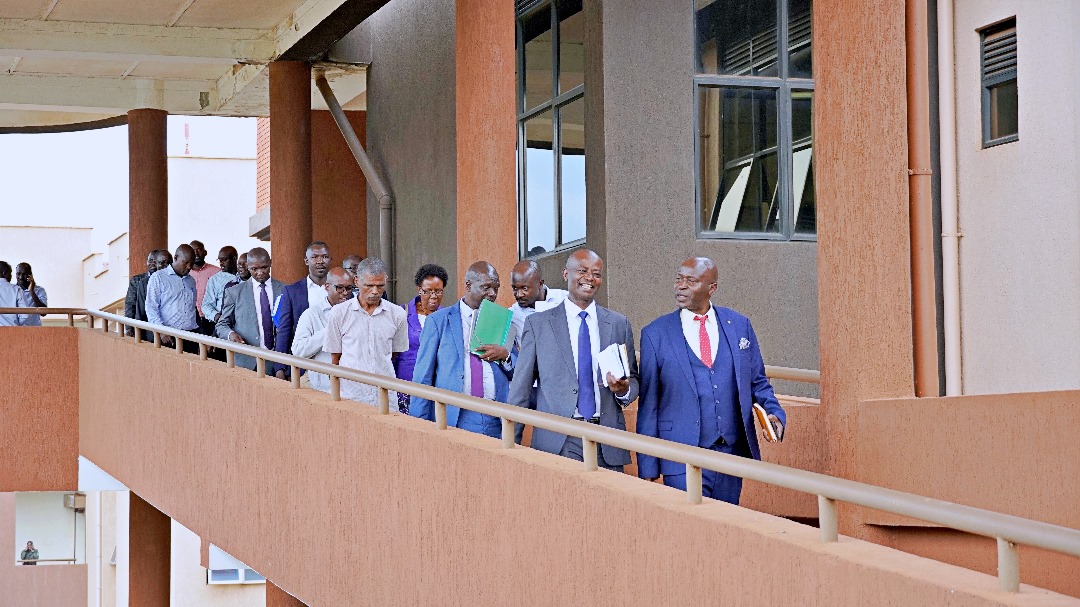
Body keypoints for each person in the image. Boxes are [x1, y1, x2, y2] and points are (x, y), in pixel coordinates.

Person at [636, 257, 787, 505]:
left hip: (730, 454)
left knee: (724, 529)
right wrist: (648, 466)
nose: (680, 286)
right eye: (678, 279)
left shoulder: (739, 325)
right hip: (680, 456)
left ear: (711, 288)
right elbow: (648, 404)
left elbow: (758, 381)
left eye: (691, 281)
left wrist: (774, 412)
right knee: (688, 532)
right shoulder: (655, 333)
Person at [507, 250, 638, 471]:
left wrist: (622, 390)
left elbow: (633, 379)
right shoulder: (538, 324)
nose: (589, 278)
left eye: (596, 273)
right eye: (582, 271)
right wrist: (510, 444)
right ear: (566, 274)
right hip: (558, 439)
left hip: (607, 440)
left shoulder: (618, 323)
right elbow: (520, 390)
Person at [410, 261, 514, 438]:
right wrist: (417, 426)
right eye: (486, 287)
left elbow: (517, 369)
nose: (492, 294)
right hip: (456, 415)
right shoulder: (438, 321)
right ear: (468, 285)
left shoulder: (501, 319)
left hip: (497, 416)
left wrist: (506, 356)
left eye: (496, 288)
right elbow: (422, 377)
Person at [324, 257, 408, 406]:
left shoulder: (397, 314)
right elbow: (335, 358)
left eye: (380, 286)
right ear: (356, 281)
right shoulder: (339, 313)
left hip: (385, 397)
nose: (375, 291)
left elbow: (395, 353)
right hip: (350, 396)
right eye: (369, 285)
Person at [215, 248, 284, 371]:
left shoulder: (284, 290)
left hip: (277, 360)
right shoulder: (235, 292)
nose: (260, 272)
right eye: (254, 269)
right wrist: (231, 334)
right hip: (247, 360)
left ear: (271, 263)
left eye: (264, 267)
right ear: (247, 266)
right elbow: (222, 324)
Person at [393, 264, 448, 413]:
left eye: (438, 291)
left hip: (435, 387)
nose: (433, 296)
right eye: (428, 291)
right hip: (406, 386)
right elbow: (393, 355)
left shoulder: (447, 318)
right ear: (419, 289)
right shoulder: (401, 313)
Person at [274, 242, 332, 380]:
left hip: (334, 365)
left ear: (330, 260)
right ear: (306, 260)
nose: (320, 261)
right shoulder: (292, 291)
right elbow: (285, 330)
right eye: (315, 257)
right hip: (303, 366)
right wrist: (280, 367)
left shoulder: (340, 290)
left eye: (324, 257)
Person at [291, 267, 354, 393]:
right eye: (339, 288)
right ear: (327, 287)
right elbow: (298, 350)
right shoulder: (311, 315)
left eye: (348, 288)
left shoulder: (357, 312)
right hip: (324, 387)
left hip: (355, 385)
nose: (345, 292)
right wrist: (329, 330)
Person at [145, 245, 199, 350]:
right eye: (186, 262)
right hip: (168, 336)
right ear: (176, 258)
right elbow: (151, 307)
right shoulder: (158, 277)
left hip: (191, 336)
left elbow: (192, 308)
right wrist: (161, 331)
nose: (189, 267)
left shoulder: (191, 281)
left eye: (191, 264)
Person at [509, 260, 568, 349]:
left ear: (540, 283)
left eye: (524, 288)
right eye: (514, 288)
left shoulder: (565, 299)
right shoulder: (512, 315)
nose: (519, 294)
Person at [188, 240, 220, 333]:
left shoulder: (217, 272)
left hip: (211, 319)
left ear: (205, 252)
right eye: (193, 250)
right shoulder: (185, 273)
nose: (196, 253)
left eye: (199, 249)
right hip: (190, 319)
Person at [124, 250, 158, 339]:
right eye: (150, 261)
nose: (152, 263)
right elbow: (130, 304)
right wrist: (129, 327)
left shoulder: (166, 281)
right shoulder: (136, 280)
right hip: (141, 324)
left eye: (155, 261)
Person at [201, 246, 239, 323]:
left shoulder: (244, 277)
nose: (221, 263)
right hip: (222, 324)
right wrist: (217, 316)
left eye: (224, 260)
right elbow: (206, 305)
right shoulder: (215, 280)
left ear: (234, 259)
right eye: (219, 260)